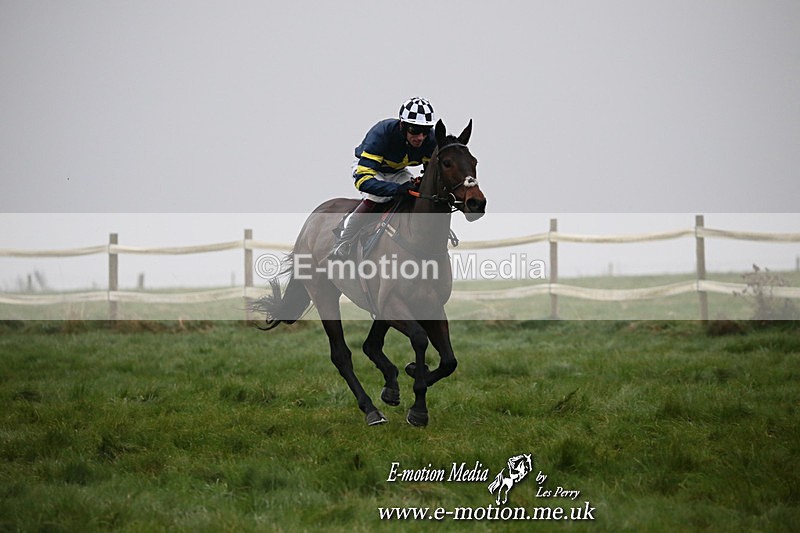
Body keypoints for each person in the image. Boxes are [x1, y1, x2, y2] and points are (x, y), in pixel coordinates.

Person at [328, 97, 437, 259]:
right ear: (403, 126)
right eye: (415, 130)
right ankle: (344, 239)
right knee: (378, 197)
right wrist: (396, 189)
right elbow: (363, 181)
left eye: (425, 130)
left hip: (397, 170)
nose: (421, 137)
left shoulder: (430, 140)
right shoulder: (382, 133)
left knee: (415, 197)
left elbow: (429, 174)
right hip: (369, 169)